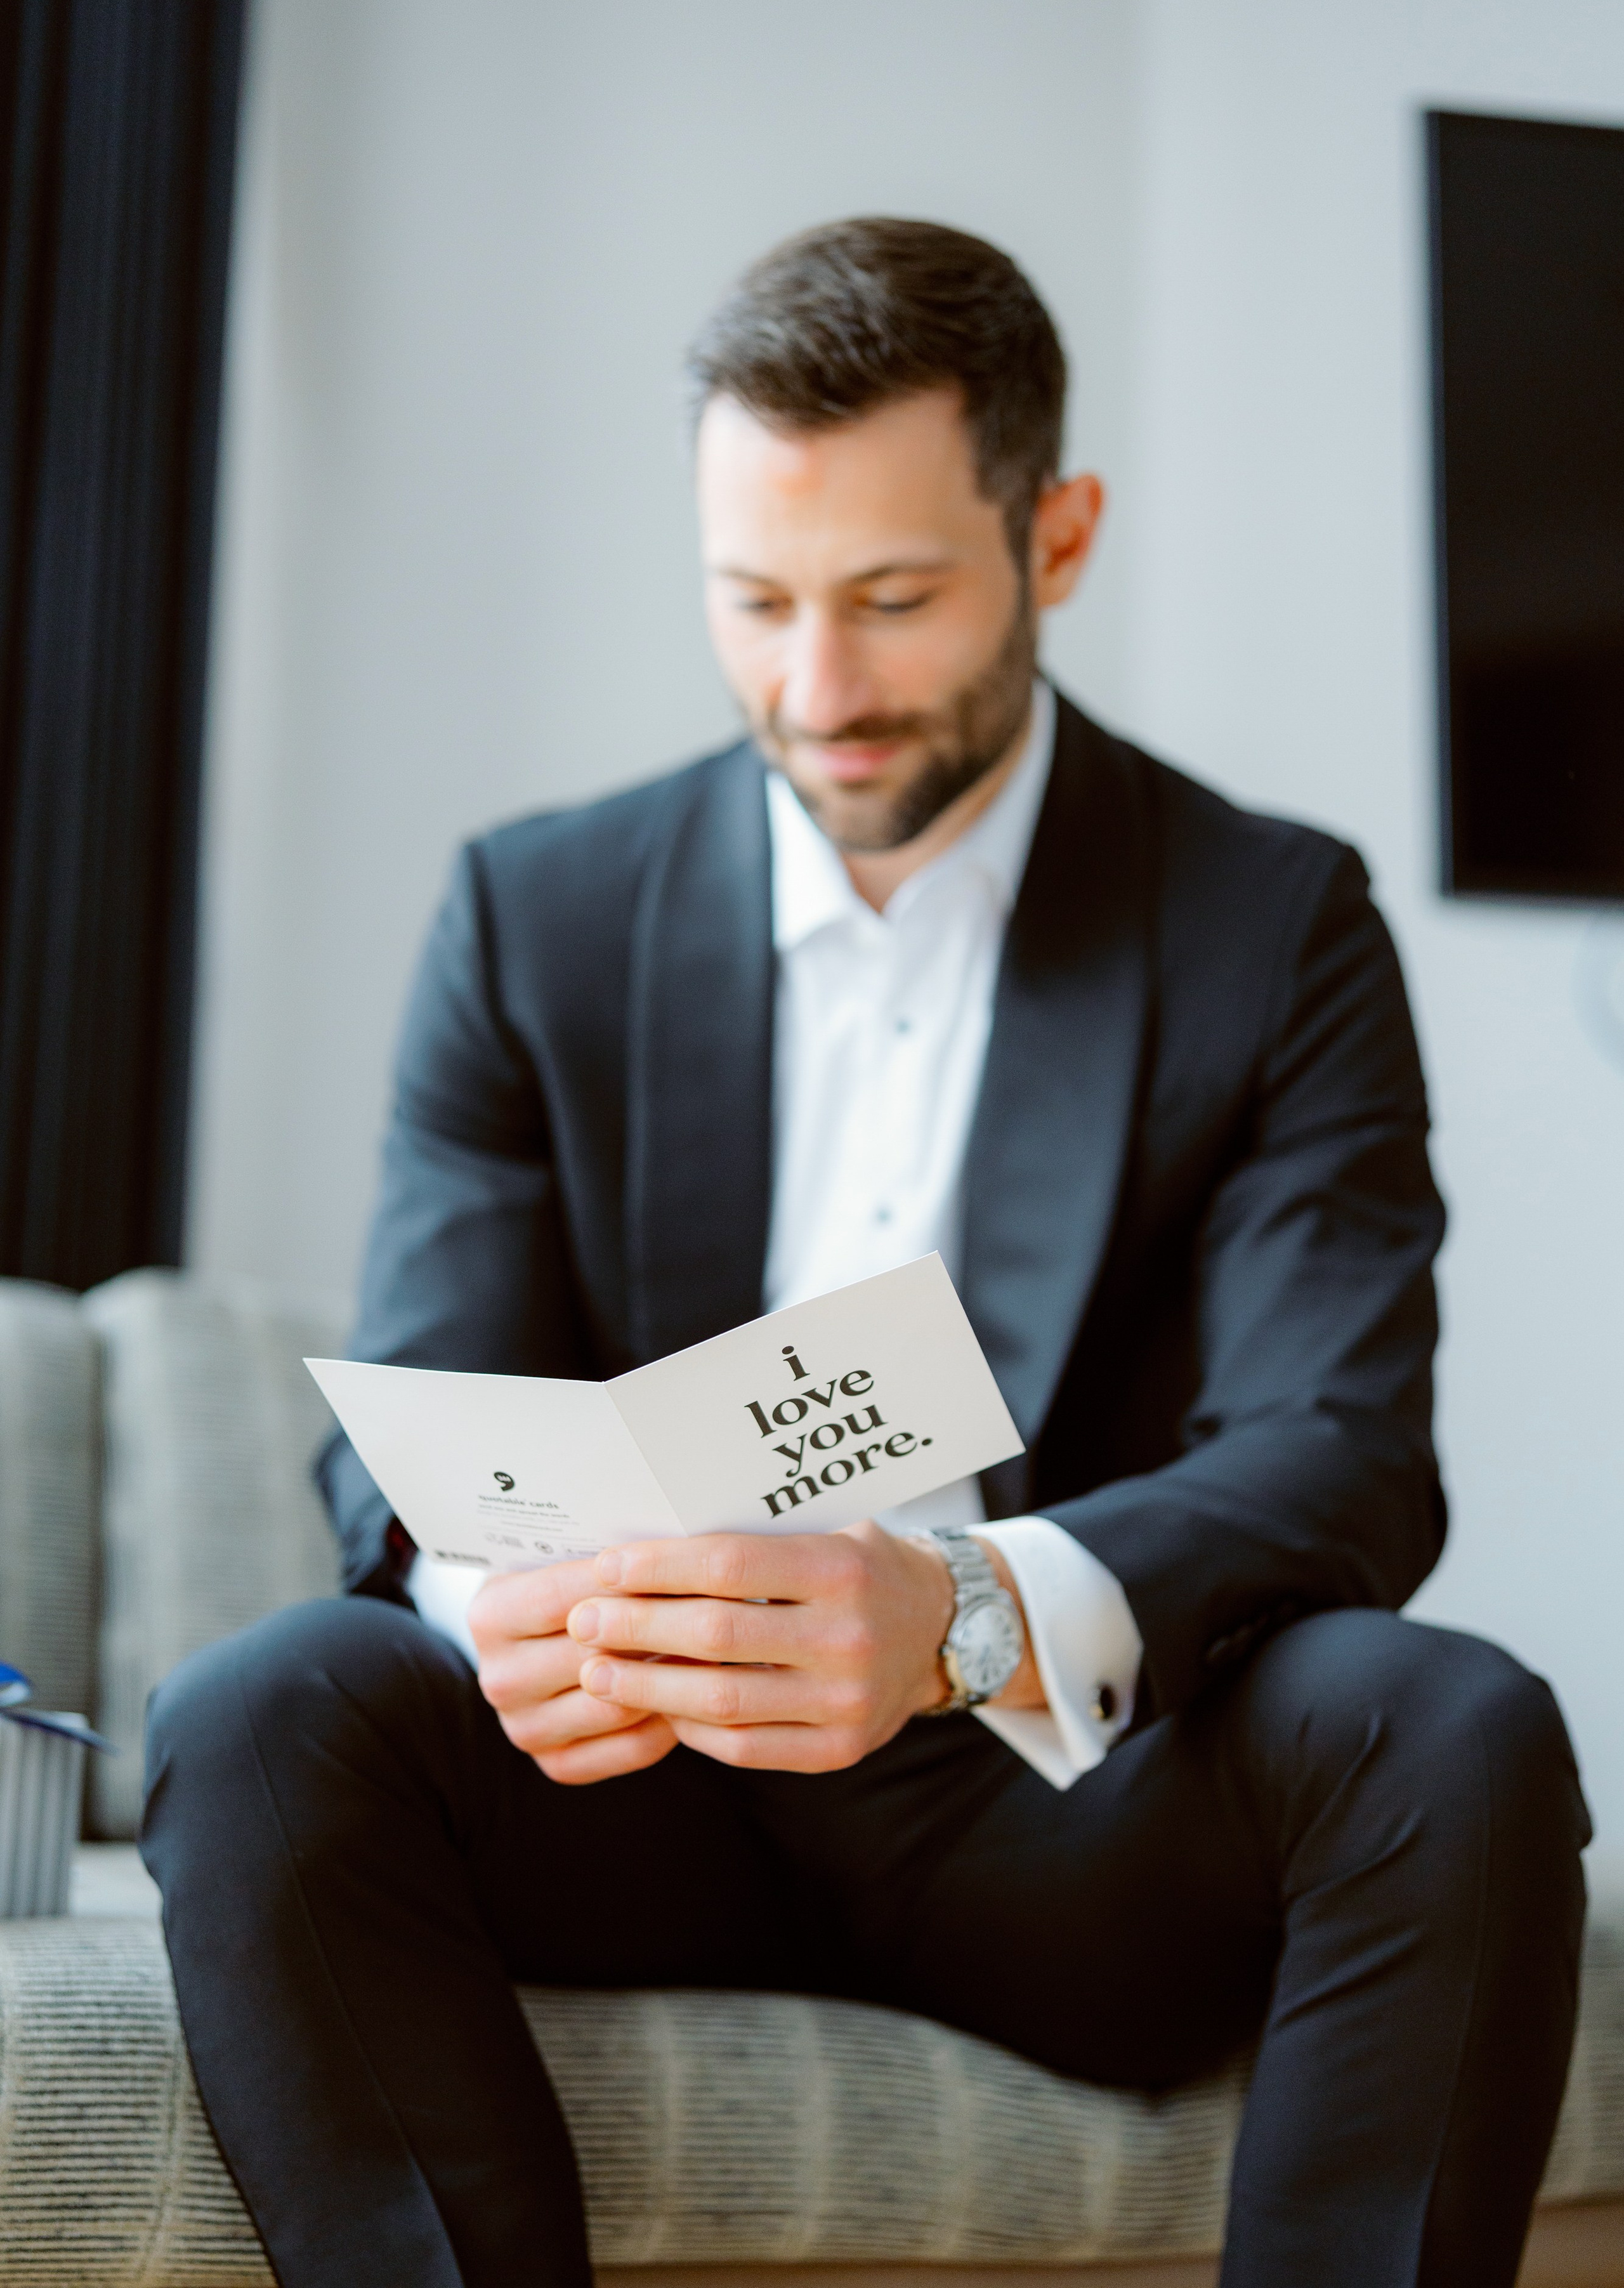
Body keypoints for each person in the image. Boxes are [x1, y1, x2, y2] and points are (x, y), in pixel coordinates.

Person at [142, 219, 1588, 2288]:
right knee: (263, 1702)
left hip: (1066, 1806)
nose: (817, 692)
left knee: (1453, 1725)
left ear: (1057, 535)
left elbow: (1344, 1446)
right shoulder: (529, 915)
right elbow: (416, 1427)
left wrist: (960, 1615)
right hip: (630, 1789)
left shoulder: (1275, 926)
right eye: (757, 603)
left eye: (896, 600)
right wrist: (510, 1593)